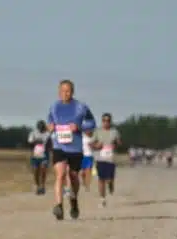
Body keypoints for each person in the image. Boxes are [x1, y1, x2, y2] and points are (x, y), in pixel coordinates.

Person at [47, 79, 96, 220]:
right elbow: (50, 121)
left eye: (68, 91)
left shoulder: (81, 107)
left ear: (72, 92)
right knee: (60, 175)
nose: (65, 94)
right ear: (58, 92)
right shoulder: (54, 107)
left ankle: (74, 202)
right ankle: (59, 206)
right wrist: (50, 126)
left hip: (75, 148)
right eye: (62, 91)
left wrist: (79, 127)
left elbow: (91, 123)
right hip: (59, 146)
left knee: (73, 176)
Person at [91, 113, 121, 208]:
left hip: (110, 159)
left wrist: (115, 144)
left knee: (109, 179)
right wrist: (97, 146)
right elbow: (91, 143)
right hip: (100, 158)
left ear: (110, 121)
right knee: (101, 179)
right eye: (104, 120)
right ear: (102, 121)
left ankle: (111, 185)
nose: (106, 122)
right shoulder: (97, 131)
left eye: (108, 121)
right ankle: (102, 199)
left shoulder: (114, 131)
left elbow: (120, 143)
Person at [27, 120, 51, 195]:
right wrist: (36, 142)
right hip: (35, 155)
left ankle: (43, 186)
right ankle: (38, 186)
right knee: (36, 171)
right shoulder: (33, 133)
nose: (41, 128)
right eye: (39, 127)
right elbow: (30, 142)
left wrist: (49, 149)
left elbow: (50, 143)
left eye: (42, 127)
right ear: (37, 127)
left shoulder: (47, 134)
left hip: (44, 155)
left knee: (43, 169)